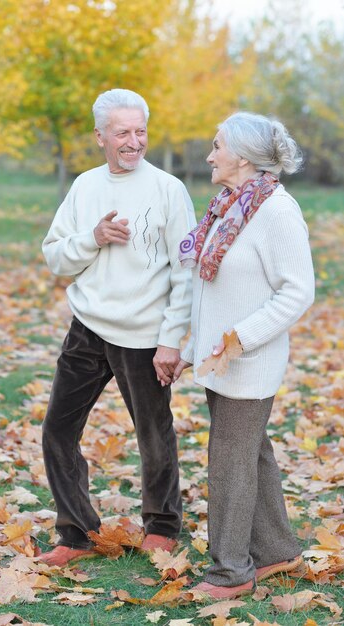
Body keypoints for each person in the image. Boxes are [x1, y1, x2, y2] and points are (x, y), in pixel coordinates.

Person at [39, 88, 196, 566]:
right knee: (57, 431)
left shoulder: (169, 189)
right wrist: (93, 237)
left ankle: (163, 526)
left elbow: (185, 270)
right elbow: (54, 255)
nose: (134, 141)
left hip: (145, 334)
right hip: (87, 325)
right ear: (101, 136)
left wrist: (172, 339)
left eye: (140, 131)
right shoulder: (85, 187)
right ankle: (76, 532)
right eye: (123, 132)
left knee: (153, 434)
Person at [174, 111, 314, 599]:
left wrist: (240, 339)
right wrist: (194, 348)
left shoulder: (275, 210)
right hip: (221, 359)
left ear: (243, 156)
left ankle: (230, 572)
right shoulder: (231, 205)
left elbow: (298, 291)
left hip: (247, 362)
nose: (210, 155)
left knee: (229, 460)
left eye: (216, 146)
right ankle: (279, 553)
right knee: (250, 454)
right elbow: (212, 290)